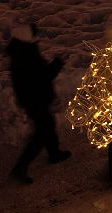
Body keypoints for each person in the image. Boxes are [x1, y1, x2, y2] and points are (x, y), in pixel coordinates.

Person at [7, 22, 71, 184]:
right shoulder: (27, 55)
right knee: (42, 133)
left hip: (33, 99)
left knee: (48, 125)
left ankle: (54, 153)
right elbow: (43, 77)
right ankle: (20, 168)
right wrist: (57, 64)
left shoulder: (21, 52)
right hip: (35, 100)